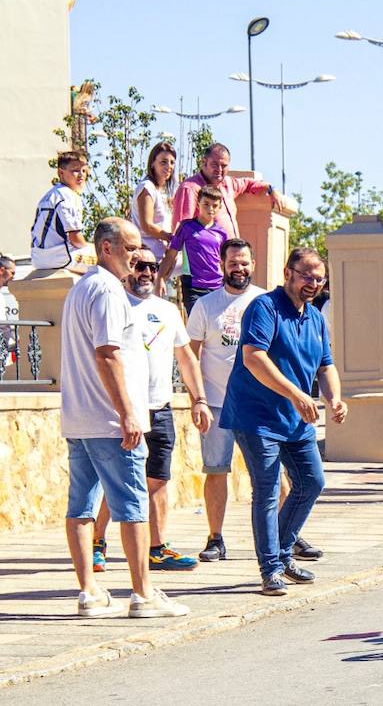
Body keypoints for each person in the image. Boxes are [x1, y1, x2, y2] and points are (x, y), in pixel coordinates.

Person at [58, 217, 190, 619]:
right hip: (109, 420)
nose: (137, 256)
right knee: (132, 504)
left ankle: (89, 592)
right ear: (108, 248)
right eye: (131, 248)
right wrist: (128, 412)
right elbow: (108, 353)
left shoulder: (80, 289)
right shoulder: (108, 291)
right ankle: (142, 593)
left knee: (81, 505)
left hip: (80, 418)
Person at [220, 247, 347, 596]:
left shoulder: (316, 317)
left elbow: (325, 365)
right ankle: (270, 569)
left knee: (312, 481)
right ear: (288, 273)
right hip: (256, 415)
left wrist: (334, 397)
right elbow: (253, 357)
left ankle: (284, 551)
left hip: (296, 417)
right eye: (307, 275)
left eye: (319, 278)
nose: (314, 283)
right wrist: (296, 394)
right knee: (268, 488)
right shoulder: (265, 307)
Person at [91, 246, 212, 572]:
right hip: (125, 409)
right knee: (116, 481)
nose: (146, 272)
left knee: (157, 479)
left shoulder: (168, 310)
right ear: (129, 267)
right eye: (139, 266)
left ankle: (157, 547)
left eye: (152, 266)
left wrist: (198, 399)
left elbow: (186, 358)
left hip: (160, 408)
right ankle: (96, 541)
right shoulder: (114, 304)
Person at [187, 238, 266, 561]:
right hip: (217, 404)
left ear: (253, 264)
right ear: (222, 265)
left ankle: (286, 535)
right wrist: (198, 399)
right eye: (233, 262)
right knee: (216, 470)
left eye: (244, 262)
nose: (239, 268)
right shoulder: (205, 306)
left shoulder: (266, 301)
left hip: (259, 404)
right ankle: (215, 538)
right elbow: (190, 355)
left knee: (270, 471)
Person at [169, 142, 281, 237]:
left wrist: (271, 189)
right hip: (205, 257)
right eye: (215, 164)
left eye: (224, 166)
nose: (219, 170)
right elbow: (182, 229)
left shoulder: (228, 183)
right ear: (204, 163)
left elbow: (248, 183)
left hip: (229, 257)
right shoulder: (190, 189)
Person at [165, 185, 229, 314]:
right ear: (198, 204)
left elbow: (225, 262)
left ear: (219, 207)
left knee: (215, 327)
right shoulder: (186, 227)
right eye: (206, 204)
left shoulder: (222, 233)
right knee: (196, 326)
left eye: (215, 205)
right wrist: (161, 278)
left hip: (217, 286)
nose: (210, 209)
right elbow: (171, 255)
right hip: (193, 286)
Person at [30, 151, 94, 271]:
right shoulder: (68, 196)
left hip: (38, 258)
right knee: (110, 257)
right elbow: (75, 238)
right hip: (61, 257)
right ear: (61, 172)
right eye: (75, 170)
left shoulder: (49, 195)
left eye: (84, 171)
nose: (81, 175)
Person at [129, 142, 177, 294]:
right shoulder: (147, 188)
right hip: (147, 257)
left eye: (172, 162)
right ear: (152, 164)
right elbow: (147, 225)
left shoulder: (164, 192)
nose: (168, 166)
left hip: (162, 258)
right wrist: (171, 237)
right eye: (163, 162)